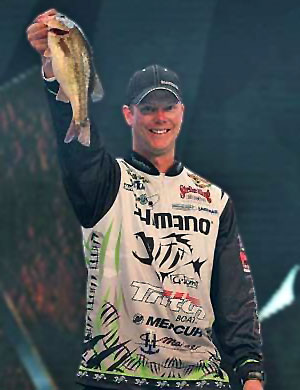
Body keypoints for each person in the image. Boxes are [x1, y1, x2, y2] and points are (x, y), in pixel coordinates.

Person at [26, 9, 265, 390]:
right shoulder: (105, 182)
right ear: (128, 115)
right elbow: (76, 145)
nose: (159, 117)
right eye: (148, 107)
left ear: (181, 113)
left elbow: (235, 295)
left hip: (200, 380)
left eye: (168, 106)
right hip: (116, 376)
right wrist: (54, 70)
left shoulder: (216, 200)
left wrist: (250, 372)